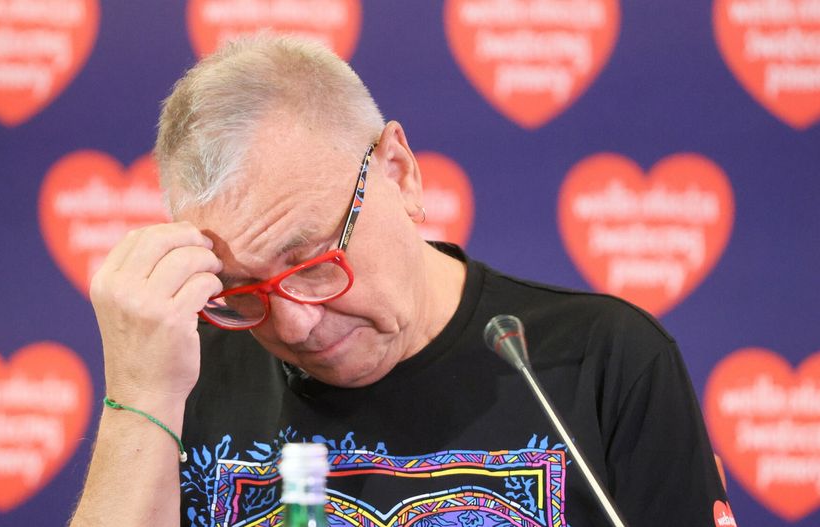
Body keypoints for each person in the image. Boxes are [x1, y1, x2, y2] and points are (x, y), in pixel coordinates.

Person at [70, 35, 731, 527]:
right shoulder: (180, 377)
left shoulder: (603, 360)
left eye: (314, 261)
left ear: (399, 172)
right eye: (243, 290)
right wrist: (140, 394)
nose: (294, 324)